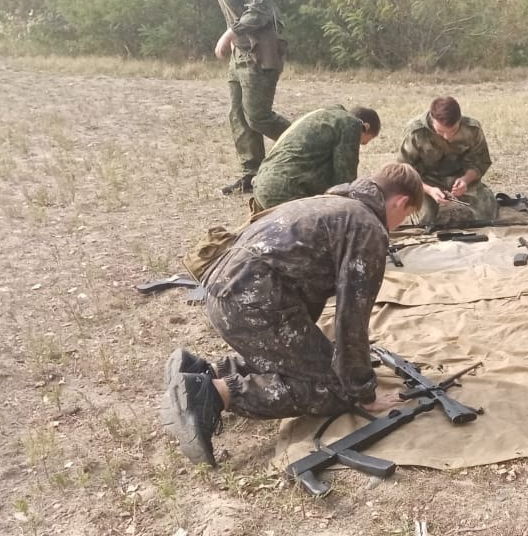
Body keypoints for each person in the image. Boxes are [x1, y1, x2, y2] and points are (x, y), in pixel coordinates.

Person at [159, 163, 424, 466]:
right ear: (400, 202)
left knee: (304, 361)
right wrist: (363, 391)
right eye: (405, 216)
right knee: (334, 388)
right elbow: (352, 319)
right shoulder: (367, 227)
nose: (400, 225)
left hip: (223, 291)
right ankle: (211, 394)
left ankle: (207, 370)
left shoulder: (331, 202)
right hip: (254, 301)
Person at [202, 0, 292, 195]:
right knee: (238, 115)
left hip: (260, 52)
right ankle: (251, 174)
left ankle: (313, 141)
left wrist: (230, 33)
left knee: (258, 117)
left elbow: (261, 9)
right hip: (241, 53)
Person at [250, 106, 381, 210]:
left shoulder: (327, 116)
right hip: (284, 191)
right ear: (366, 127)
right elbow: (344, 184)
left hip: (262, 183)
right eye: (362, 142)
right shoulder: (351, 124)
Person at [399, 96, 496, 226]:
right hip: (425, 182)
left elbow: (479, 161)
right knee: (426, 219)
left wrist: (465, 180)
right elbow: (405, 171)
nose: (447, 136)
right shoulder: (415, 132)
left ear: (459, 120)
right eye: (440, 132)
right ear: (432, 120)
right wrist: (429, 190)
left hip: (459, 179)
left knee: (485, 214)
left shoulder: (472, 129)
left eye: (453, 131)